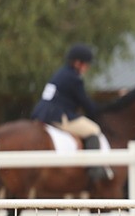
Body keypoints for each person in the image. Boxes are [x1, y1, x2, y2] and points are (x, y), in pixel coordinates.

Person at [30, 44, 111, 182]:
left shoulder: (61, 73)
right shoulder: (74, 78)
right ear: (78, 63)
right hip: (57, 114)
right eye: (86, 64)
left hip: (42, 112)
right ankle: (95, 169)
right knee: (93, 130)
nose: (87, 68)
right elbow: (85, 103)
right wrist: (97, 111)